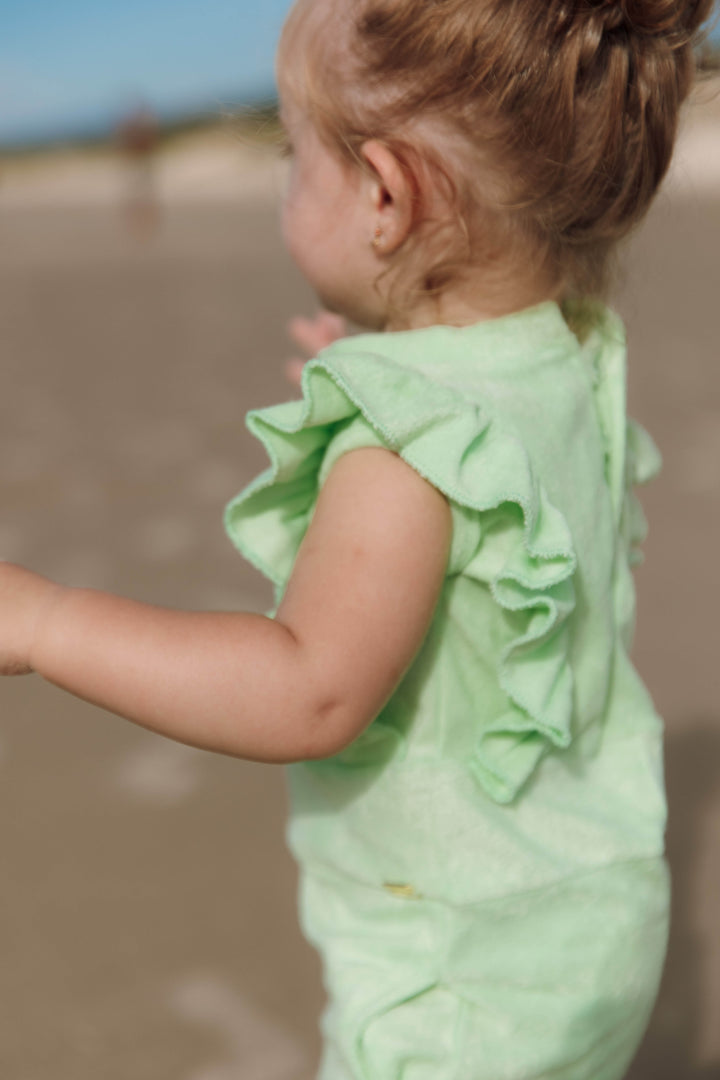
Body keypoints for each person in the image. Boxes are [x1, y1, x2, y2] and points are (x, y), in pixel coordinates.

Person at [0, 0, 712, 1076]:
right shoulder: (570, 352)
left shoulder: (403, 447)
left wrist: (45, 623)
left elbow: (309, 692)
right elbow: (480, 438)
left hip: (456, 980)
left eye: (294, 150)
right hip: (589, 914)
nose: (288, 177)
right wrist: (393, 374)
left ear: (384, 195)